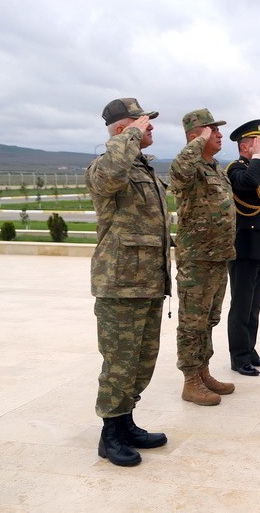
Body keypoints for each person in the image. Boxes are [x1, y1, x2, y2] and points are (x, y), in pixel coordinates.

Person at [86, 97, 171, 467]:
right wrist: (128, 137)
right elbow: (110, 174)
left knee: (141, 360)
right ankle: (109, 435)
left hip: (149, 282)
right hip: (120, 282)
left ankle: (126, 422)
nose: (149, 126)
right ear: (122, 130)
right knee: (119, 361)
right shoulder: (107, 167)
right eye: (141, 122)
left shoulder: (144, 168)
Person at [169, 109, 238, 405]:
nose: (220, 134)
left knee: (209, 319)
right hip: (196, 258)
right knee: (191, 322)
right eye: (213, 130)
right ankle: (190, 380)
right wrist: (198, 141)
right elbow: (179, 170)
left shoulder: (215, 169)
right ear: (196, 136)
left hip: (218, 257)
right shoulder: (189, 168)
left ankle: (204, 370)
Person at [226, 119, 260, 376]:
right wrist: (257, 157)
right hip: (243, 250)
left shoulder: (257, 169)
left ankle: (250, 350)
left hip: (259, 249)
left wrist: (257, 159)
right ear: (245, 146)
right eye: (259, 142)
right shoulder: (235, 170)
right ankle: (238, 357)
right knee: (241, 306)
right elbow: (247, 185)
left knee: (254, 306)